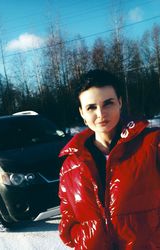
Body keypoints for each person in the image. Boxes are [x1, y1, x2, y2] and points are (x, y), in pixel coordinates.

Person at [58, 69, 160, 250]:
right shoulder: (70, 165)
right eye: (91, 107)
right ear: (82, 112)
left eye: (108, 103)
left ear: (120, 102)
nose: (100, 113)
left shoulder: (152, 145)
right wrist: (81, 237)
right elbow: (68, 218)